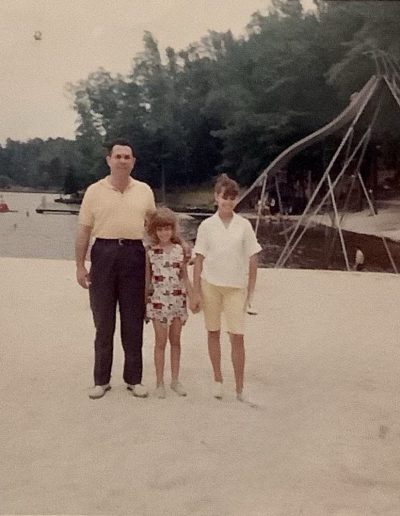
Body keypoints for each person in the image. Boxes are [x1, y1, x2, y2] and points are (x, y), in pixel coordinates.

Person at [75, 138, 156, 400]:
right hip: (104, 254)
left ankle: (134, 379)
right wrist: (79, 266)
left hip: (134, 253)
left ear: (133, 162)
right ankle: (101, 380)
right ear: (109, 160)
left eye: (127, 157)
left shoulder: (144, 190)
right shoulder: (94, 191)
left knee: (133, 320)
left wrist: (174, 251)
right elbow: (84, 231)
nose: (122, 161)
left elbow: (155, 229)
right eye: (118, 156)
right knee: (104, 320)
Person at [192, 174, 261, 402]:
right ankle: (218, 379)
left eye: (232, 198)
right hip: (210, 284)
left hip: (235, 287)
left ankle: (240, 387)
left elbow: (253, 257)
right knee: (213, 331)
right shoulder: (206, 225)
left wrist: (251, 290)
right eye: (224, 197)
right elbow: (199, 258)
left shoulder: (244, 225)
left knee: (237, 336)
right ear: (216, 197)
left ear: (237, 200)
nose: (228, 202)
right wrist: (195, 291)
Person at [145, 207, 193, 398]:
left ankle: (175, 380)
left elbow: (185, 276)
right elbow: (147, 280)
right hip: (158, 301)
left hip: (177, 300)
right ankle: (159, 383)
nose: (164, 233)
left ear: (173, 229)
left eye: (167, 229)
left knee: (176, 341)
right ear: (154, 231)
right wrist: (144, 305)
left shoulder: (181, 250)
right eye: (160, 229)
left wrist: (193, 296)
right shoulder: (150, 252)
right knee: (160, 342)